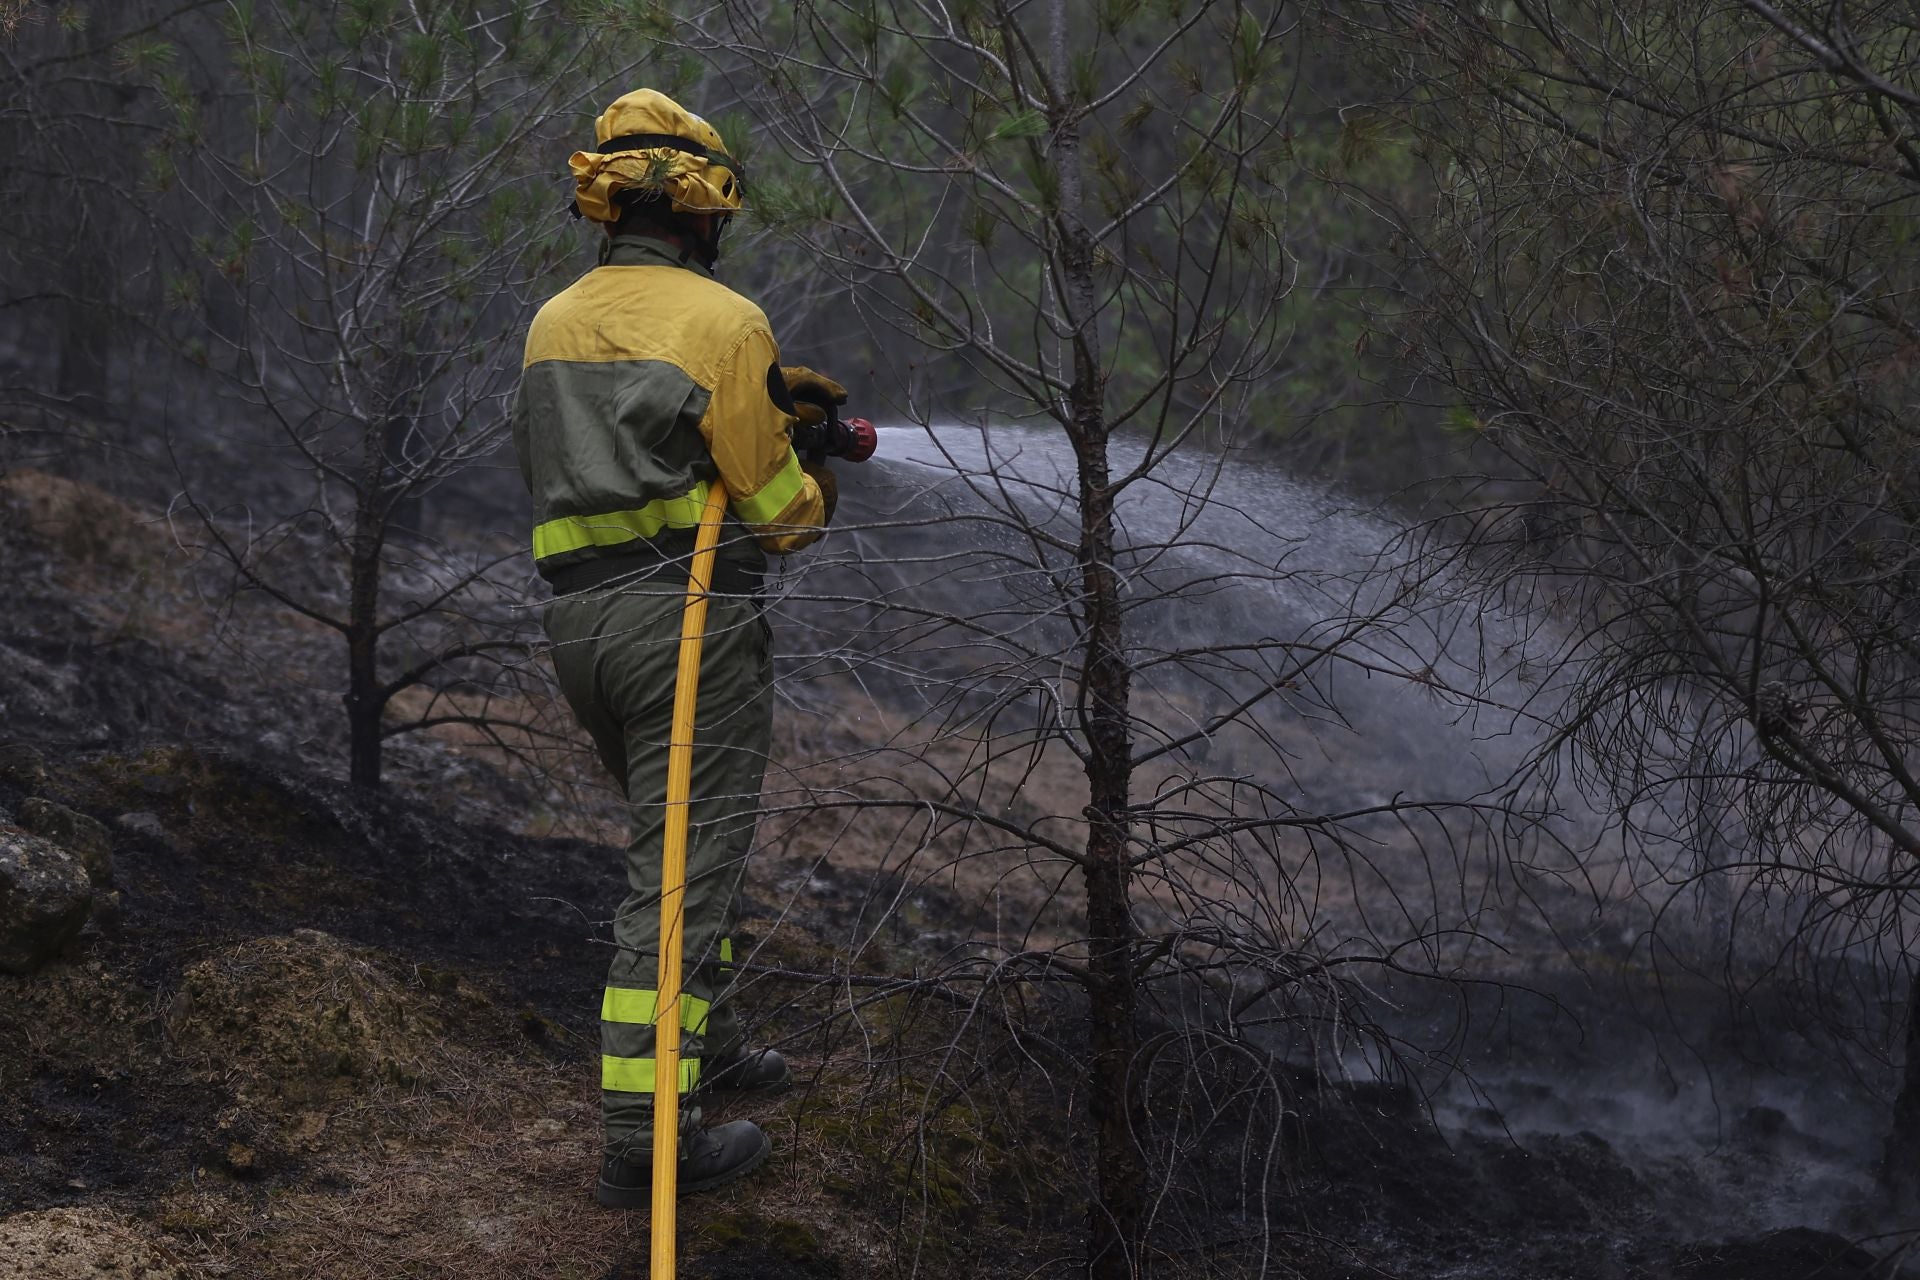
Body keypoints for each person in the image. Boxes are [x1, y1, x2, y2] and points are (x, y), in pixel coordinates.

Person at [510, 88, 846, 1205]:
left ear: (609, 203)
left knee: (680, 855)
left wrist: (756, 415)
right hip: (685, 623)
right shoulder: (726, 322)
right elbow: (778, 515)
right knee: (674, 884)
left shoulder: (553, 321)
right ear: (704, 212)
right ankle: (645, 1134)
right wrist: (807, 460)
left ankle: (715, 1042)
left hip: (581, 632)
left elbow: (620, 458)